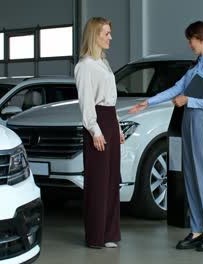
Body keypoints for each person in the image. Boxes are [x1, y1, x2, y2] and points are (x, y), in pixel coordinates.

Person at [129, 20, 203, 252]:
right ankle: (196, 230)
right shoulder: (197, 65)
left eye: (190, 39)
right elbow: (175, 89)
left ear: (200, 38)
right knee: (190, 176)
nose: (189, 43)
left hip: (201, 121)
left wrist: (188, 100)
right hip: (187, 122)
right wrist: (147, 103)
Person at [74, 17, 125, 249]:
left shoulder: (103, 63)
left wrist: (117, 127)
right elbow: (86, 103)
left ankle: (109, 233)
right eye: (106, 33)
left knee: (112, 179)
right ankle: (95, 236)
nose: (110, 37)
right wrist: (95, 130)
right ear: (95, 35)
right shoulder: (85, 66)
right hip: (97, 123)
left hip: (109, 120)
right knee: (98, 182)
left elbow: (110, 101)